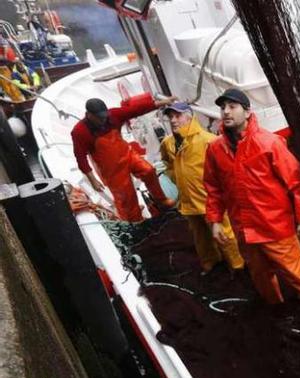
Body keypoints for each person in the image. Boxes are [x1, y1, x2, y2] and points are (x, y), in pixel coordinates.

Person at [203, 88, 300, 304]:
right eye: (222, 107)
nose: (226, 112)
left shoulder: (270, 143)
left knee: (299, 278)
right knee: (262, 280)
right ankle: (279, 314)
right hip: (245, 232)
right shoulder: (215, 149)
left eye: (232, 106)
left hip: (276, 228)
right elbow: (213, 188)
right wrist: (215, 220)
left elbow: (297, 182)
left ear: (247, 112)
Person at [159, 101, 244, 275]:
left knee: (224, 235)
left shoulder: (209, 141)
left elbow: (226, 170)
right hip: (188, 201)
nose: (173, 121)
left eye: (178, 116)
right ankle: (210, 264)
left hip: (209, 199)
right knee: (200, 237)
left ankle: (238, 266)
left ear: (189, 117)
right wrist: (176, 177)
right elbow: (167, 162)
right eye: (170, 117)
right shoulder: (168, 143)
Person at [71, 94, 176, 222]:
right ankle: (136, 220)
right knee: (126, 196)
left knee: (148, 171)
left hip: (127, 155)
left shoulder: (113, 115)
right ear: (89, 115)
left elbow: (136, 109)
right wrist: (93, 180)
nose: (103, 120)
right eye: (99, 118)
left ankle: (161, 200)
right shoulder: (79, 131)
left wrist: (164, 102)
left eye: (105, 117)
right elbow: (80, 158)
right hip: (110, 169)